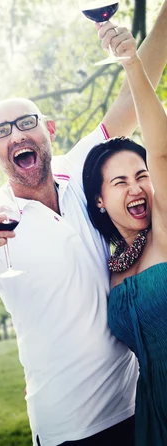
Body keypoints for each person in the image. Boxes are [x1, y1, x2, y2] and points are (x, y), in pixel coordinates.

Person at [0, 7, 167, 446]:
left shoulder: (87, 170)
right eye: (1, 130)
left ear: (48, 130)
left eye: (26, 123)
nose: (15, 135)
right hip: (67, 427)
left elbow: (136, 94)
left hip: (137, 404)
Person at [82, 40, 167, 445]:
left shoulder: (165, 226)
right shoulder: (110, 264)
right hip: (152, 412)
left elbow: (163, 152)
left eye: (142, 175)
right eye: (120, 182)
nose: (136, 187)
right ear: (100, 200)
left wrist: (132, 64)